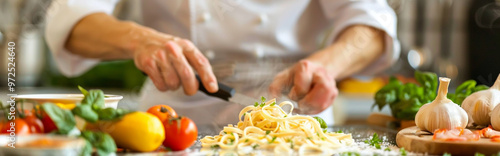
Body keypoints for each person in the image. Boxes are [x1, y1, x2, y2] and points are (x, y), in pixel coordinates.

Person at [45, 0, 400, 126]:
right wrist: (140, 40)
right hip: (171, 123)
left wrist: (327, 64)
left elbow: (372, 24)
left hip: (294, 113)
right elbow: (69, 20)